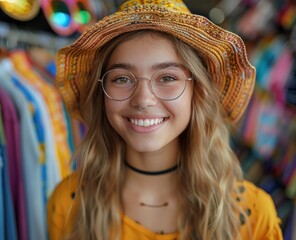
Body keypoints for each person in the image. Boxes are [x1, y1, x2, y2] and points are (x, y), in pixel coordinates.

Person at [47, 0, 283, 239]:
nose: (143, 100)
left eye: (168, 77)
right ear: (102, 93)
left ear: (197, 92)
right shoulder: (69, 204)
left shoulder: (252, 216)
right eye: (121, 79)